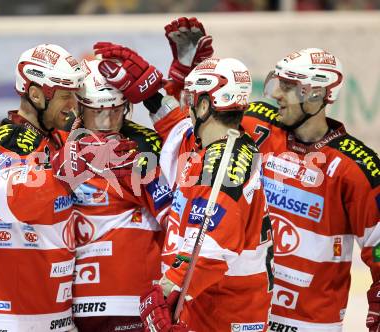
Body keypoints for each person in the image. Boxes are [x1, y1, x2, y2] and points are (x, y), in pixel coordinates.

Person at [93, 18, 274, 330]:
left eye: (192, 100)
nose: (186, 107)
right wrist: (151, 92)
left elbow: (208, 252)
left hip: (223, 317)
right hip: (207, 309)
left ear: (205, 106)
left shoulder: (222, 165)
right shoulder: (213, 147)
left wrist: (164, 292)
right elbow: (176, 128)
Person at [0, 44, 135, 332]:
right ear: (35, 94)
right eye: (65, 96)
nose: (73, 105)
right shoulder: (9, 138)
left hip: (48, 315)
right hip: (5, 318)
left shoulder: (56, 140)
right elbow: (14, 201)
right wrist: (68, 169)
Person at [241, 48, 380, 332]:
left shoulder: (357, 168)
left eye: (289, 87)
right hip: (245, 314)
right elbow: (195, 125)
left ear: (316, 94)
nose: (277, 94)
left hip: (308, 323)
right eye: (279, 83)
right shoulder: (257, 126)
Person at [68, 58, 173, 332]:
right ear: (79, 108)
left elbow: (177, 216)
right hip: (72, 303)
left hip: (132, 301)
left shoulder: (146, 145)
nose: (107, 123)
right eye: (97, 112)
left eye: (115, 111)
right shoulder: (59, 145)